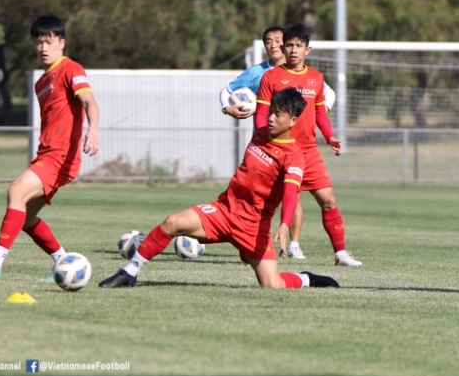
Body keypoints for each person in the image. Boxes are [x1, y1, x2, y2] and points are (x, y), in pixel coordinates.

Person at [99, 87, 339, 289]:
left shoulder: (294, 156)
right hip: (224, 211)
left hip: (253, 227)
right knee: (172, 223)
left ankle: (307, 279)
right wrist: (228, 107)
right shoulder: (260, 134)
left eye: (278, 115)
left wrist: (285, 224)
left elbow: (290, 192)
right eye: (271, 112)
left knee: (271, 284)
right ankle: (129, 273)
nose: (271, 118)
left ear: (293, 121)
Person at [0, 15, 99, 285]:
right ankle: (63, 261)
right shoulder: (41, 82)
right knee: (25, 218)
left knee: (16, 190)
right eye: (39, 42)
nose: (43, 48)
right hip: (47, 155)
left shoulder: (71, 68)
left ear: (62, 42)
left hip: (60, 157)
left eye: (49, 41)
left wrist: (92, 130)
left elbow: (89, 102)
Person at [219, 25, 336, 260]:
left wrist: (312, 117)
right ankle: (250, 238)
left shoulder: (307, 74)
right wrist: (227, 108)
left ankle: (293, 244)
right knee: (257, 193)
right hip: (264, 146)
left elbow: (327, 95)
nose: (273, 45)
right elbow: (227, 91)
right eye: (268, 42)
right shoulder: (257, 73)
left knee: (294, 193)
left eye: (277, 40)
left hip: (296, 146)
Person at [255, 23, 361, 267]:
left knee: (329, 200)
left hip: (309, 152)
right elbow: (261, 113)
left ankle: (340, 253)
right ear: (283, 47)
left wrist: (330, 136)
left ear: (308, 49)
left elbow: (320, 112)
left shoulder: (316, 78)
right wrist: (263, 138)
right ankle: (255, 245)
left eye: (298, 46)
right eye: (289, 45)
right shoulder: (271, 77)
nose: (293, 50)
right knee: (266, 203)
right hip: (280, 151)